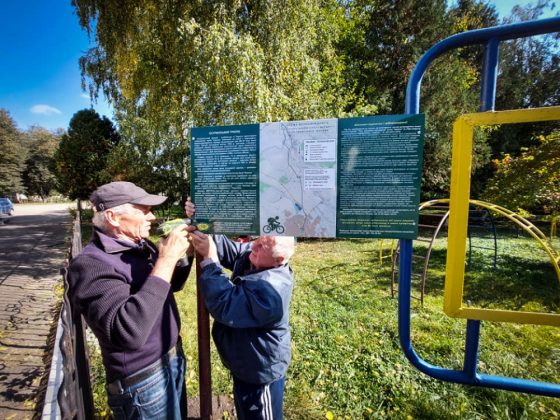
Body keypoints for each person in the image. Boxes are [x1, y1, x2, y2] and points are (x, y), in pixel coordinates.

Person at [68, 181, 193, 419]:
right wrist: (165, 260)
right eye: (143, 210)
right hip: (143, 381)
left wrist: (183, 256)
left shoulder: (140, 245)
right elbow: (127, 333)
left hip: (172, 359)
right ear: (114, 217)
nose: (152, 217)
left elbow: (170, 285)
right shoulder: (90, 265)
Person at [185, 200, 295, 420]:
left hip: (260, 373)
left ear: (279, 259)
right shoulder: (260, 258)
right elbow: (234, 251)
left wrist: (210, 260)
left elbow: (225, 304)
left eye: (262, 246)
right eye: (257, 240)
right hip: (246, 364)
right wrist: (204, 220)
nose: (252, 246)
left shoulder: (271, 292)